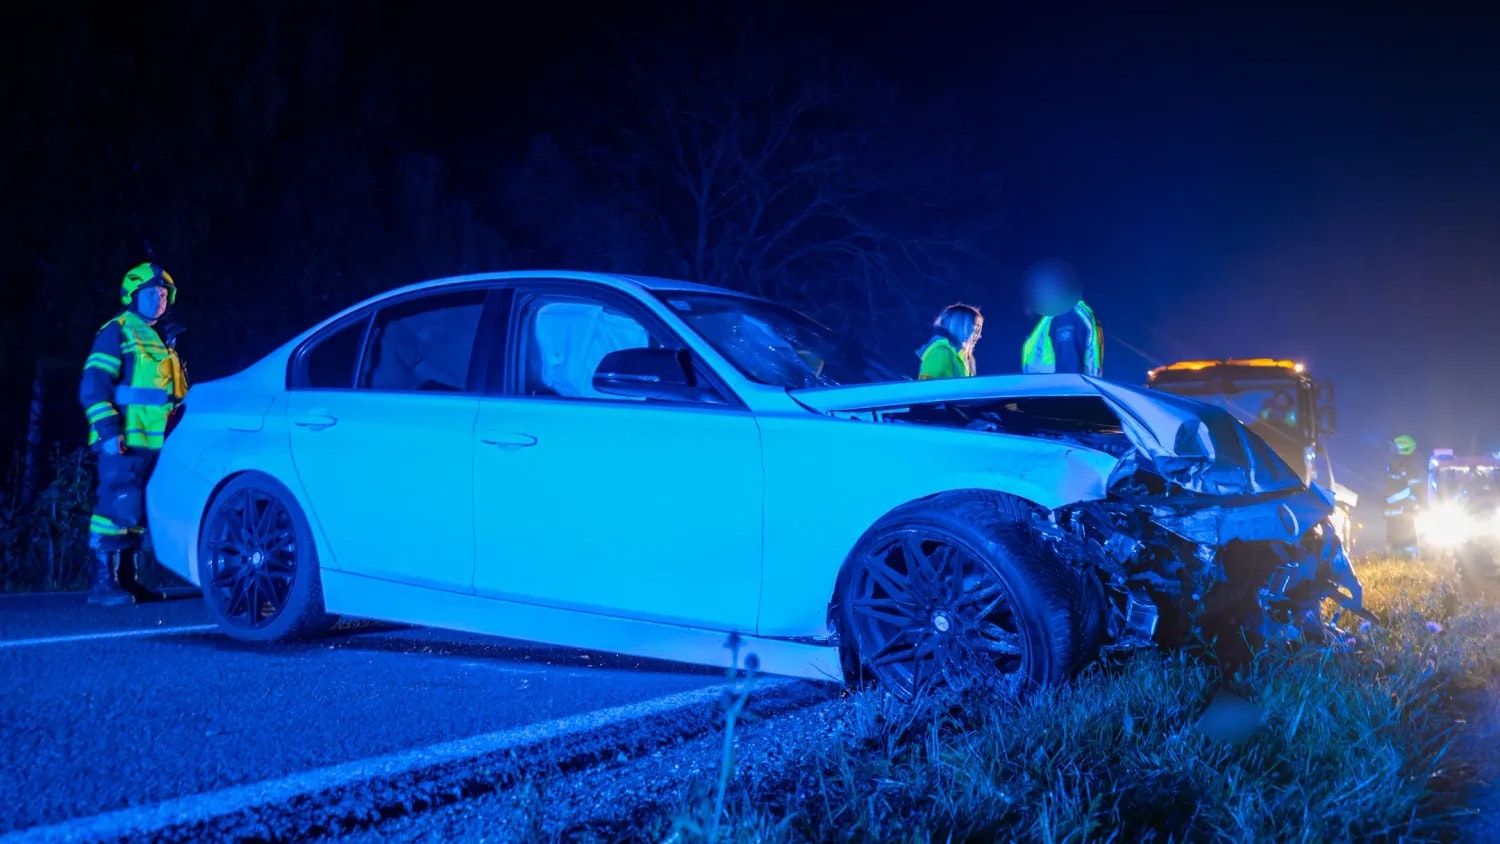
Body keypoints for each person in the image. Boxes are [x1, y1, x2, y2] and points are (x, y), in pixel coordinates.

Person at [78, 262, 190, 605]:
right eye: (150, 293)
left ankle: (128, 580)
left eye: (162, 294)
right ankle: (103, 584)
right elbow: (93, 388)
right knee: (115, 507)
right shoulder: (118, 331)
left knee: (137, 512)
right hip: (124, 440)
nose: (158, 300)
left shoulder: (164, 339)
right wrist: (110, 431)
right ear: (132, 296)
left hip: (156, 443)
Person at [1019, 260, 1102, 377]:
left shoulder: (1066, 315)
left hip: (1057, 392)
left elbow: (1069, 371)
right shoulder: (1062, 314)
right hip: (1058, 391)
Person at [916, 303, 982, 380]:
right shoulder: (940, 352)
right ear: (960, 326)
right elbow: (926, 388)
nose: (979, 336)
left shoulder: (966, 358)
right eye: (976, 329)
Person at [1383, 434, 1423, 556]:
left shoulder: (1411, 465)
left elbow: (1411, 490)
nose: (1391, 449)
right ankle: (1397, 558)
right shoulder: (1395, 464)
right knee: (1395, 541)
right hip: (1395, 510)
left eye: (1395, 446)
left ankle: (1409, 560)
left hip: (1405, 510)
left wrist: (1391, 499)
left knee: (1407, 540)